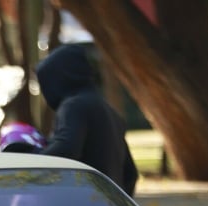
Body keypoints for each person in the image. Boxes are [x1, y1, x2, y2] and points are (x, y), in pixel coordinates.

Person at [36, 44, 138, 196]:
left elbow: (66, 148)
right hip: (108, 205)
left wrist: (30, 164)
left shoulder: (74, 105)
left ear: (59, 78)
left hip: (83, 204)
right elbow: (130, 173)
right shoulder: (110, 111)